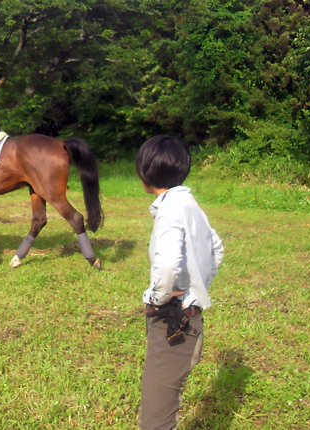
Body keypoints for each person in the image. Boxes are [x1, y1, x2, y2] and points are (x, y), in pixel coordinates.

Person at [135, 135, 224, 430]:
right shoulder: (189, 204)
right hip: (189, 314)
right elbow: (217, 248)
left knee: (155, 419)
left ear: (145, 172)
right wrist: (198, 289)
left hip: (171, 319)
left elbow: (168, 264)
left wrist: (158, 299)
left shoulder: (170, 211)